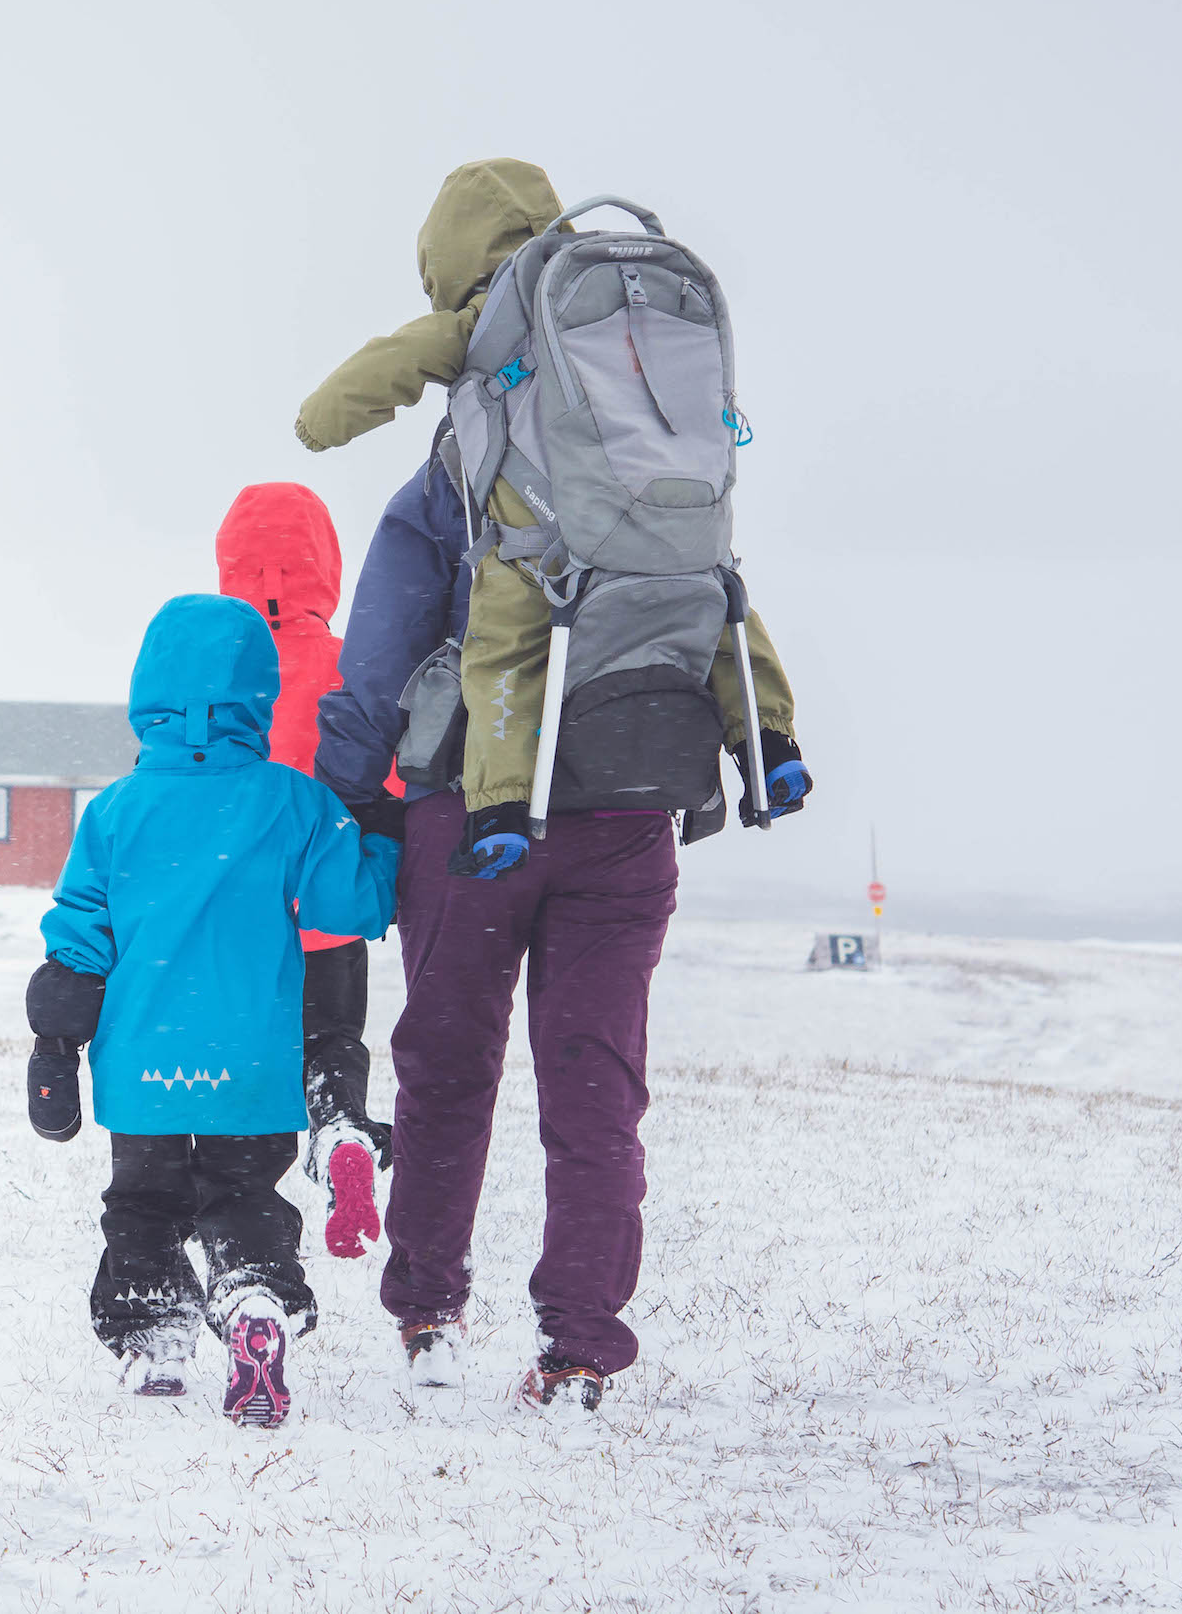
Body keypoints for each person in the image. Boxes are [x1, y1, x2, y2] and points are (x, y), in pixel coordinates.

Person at [314, 429, 810, 1414]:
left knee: (450, 1069)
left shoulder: (467, 461)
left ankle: (431, 1319)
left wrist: (352, 779)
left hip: (471, 804)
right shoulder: (662, 458)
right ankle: (579, 1351)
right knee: (597, 1086)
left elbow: (381, 638)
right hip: (629, 801)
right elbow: (720, 607)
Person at [290, 159, 799, 879]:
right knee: (715, 597)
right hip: (644, 771)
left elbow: (384, 633)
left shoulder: (479, 322)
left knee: (505, 641)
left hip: (538, 612)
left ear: (448, 257)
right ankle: (770, 744)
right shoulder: (627, 311)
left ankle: (499, 809)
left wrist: (313, 428)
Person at [24, 593, 399, 1427]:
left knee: (144, 1203)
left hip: (140, 1062)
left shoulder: (116, 810)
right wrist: (375, 825)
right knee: (243, 1192)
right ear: (258, 695)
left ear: (146, 692)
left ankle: (154, 1334)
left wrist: (53, 1044)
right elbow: (358, 903)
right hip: (254, 1058)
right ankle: (255, 1300)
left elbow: (79, 935)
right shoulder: (293, 802)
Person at [212, 482, 394, 1256]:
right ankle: (342, 1127)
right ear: (325, 563)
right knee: (331, 1041)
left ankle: (249, 1220)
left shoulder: (207, 671)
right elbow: (388, 781)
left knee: (248, 1075)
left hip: (229, 925)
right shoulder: (349, 667)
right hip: (325, 916)